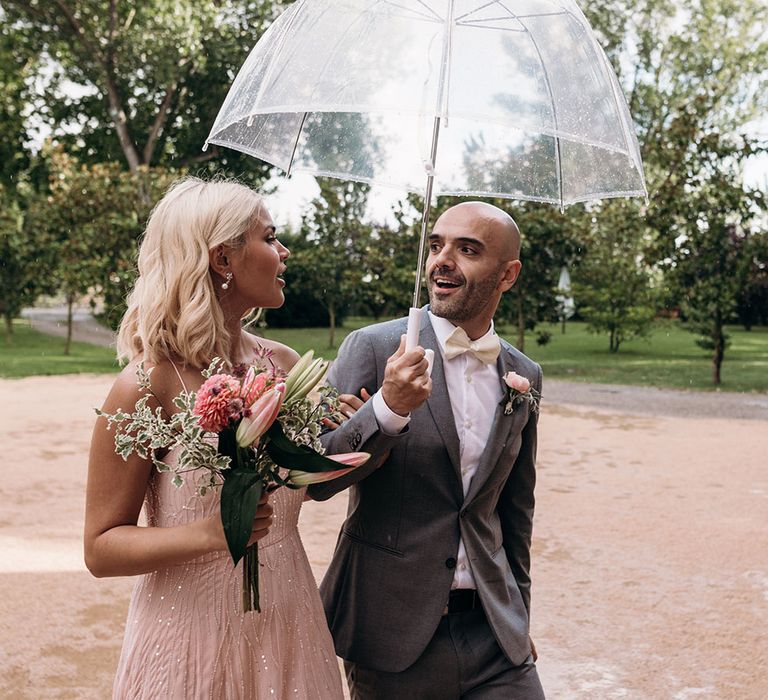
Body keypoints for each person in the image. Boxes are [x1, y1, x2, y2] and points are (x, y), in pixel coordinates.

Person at [84, 177, 344, 699]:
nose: (284, 251)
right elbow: (101, 548)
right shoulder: (146, 383)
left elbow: (315, 484)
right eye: (270, 238)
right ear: (224, 258)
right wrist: (213, 533)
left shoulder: (285, 367)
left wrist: (378, 419)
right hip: (188, 635)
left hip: (289, 620)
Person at [311, 201, 546, 698]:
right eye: (437, 244)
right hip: (392, 632)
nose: (442, 259)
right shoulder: (373, 349)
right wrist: (387, 409)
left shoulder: (525, 374)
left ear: (508, 275)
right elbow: (315, 478)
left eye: (467, 250)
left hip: (494, 635)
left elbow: (515, 508)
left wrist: (518, 616)